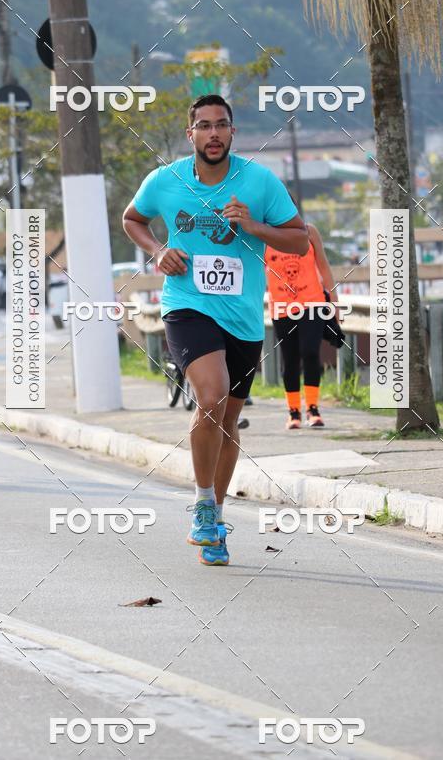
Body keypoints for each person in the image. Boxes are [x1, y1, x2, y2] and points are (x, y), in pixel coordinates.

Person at [123, 94, 309, 566]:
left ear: (232, 132)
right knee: (211, 398)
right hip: (187, 306)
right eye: (203, 126)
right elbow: (133, 219)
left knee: (227, 420)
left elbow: (300, 237)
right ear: (191, 135)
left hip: (243, 318)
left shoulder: (259, 182)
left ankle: (216, 516)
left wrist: (254, 225)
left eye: (220, 125)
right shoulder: (166, 181)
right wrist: (157, 249)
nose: (212, 133)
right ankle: (203, 504)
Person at [265, 223, 337, 429]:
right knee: (290, 359)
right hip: (281, 307)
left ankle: (313, 408)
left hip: (312, 303)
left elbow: (323, 264)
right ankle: (293, 411)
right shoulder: (264, 236)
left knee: (310, 352)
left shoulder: (309, 231)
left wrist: (334, 298)